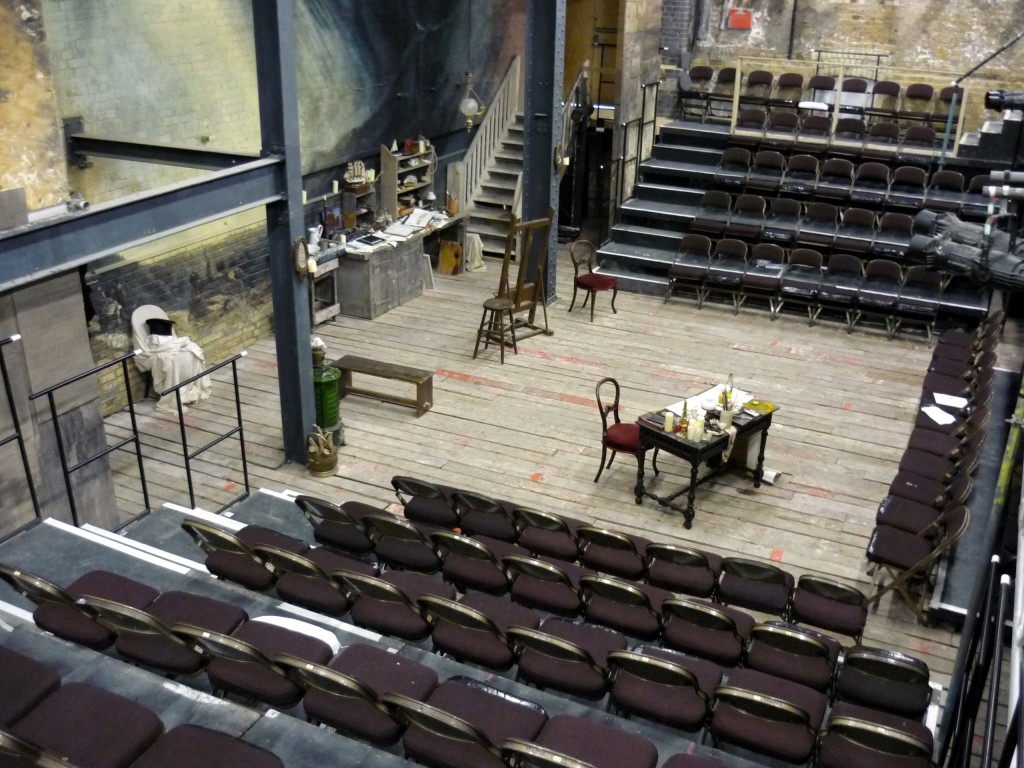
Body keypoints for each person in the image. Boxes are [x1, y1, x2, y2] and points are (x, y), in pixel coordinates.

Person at [131, 305, 211, 413]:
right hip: (159, 351)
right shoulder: (152, 340)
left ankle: (186, 387)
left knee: (193, 353)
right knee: (174, 361)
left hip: (171, 347)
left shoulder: (172, 340)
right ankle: (175, 392)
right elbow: (148, 352)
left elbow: (171, 343)